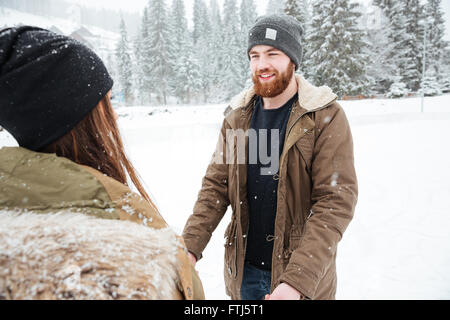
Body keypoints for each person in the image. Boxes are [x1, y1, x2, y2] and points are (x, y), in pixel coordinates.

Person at [0, 26, 204, 300]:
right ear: (80, 123)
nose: (116, 118)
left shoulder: (14, 218)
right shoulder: (128, 249)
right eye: (107, 104)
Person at [182, 14, 358, 300]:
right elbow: (216, 186)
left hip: (299, 281)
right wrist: (189, 247)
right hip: (245, 276)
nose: (262, 64)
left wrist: (297, 281)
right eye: (255, 55)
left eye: (272, 54)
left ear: (292, 59)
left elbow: (335, 201)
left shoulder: (323, 116)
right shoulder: (239, 117)